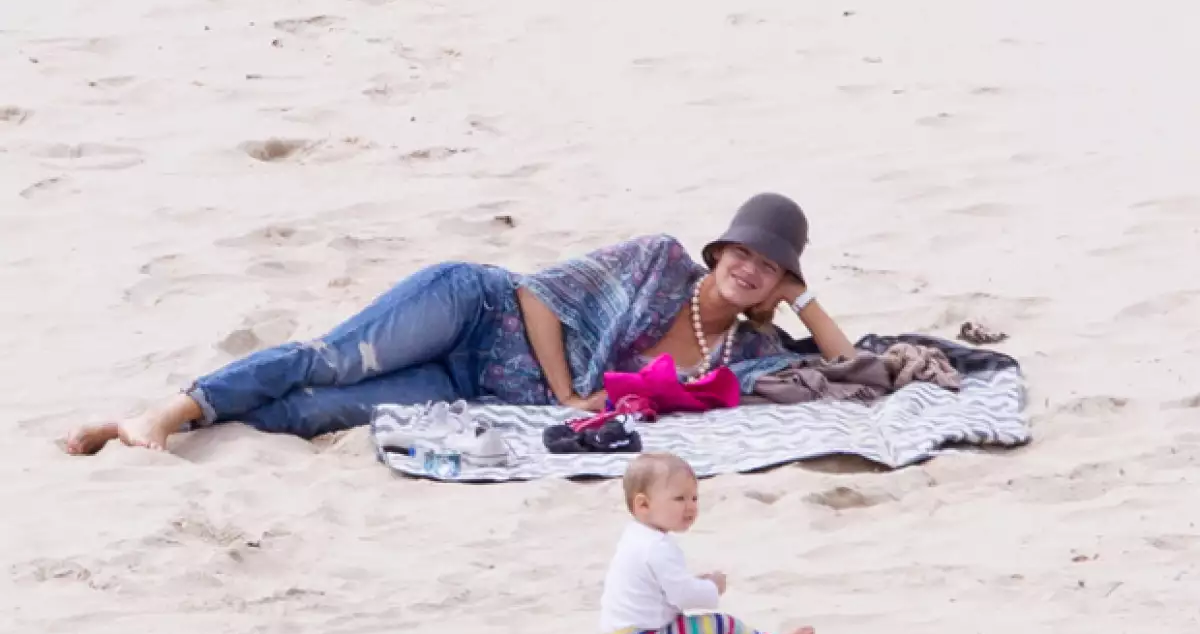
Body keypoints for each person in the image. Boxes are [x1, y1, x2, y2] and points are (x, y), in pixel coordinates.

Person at [65, 192, 856, 455]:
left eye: (770, 264)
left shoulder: (745, 350)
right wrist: (567, 394)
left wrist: (803, 301)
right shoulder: (658, 261)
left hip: (469, 390)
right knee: (334, 361)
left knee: (314, 415)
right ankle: (166, 410)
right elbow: (540, 297)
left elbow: (850, 366)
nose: (749, 267)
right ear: (721, 249)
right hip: (475, 309)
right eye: (744, 250)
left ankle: (194, 429)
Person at [599, 452, 815, 634]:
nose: (691, 506)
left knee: (697, 627)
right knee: (723, 627)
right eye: (679, 498)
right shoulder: (656, 547)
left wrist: (695, 582)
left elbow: (658, 587)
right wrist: (712, 587)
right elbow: (683, 596)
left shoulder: (635, 536)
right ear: (643, 505)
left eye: (694, 498)